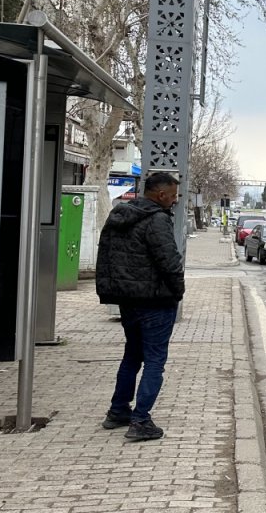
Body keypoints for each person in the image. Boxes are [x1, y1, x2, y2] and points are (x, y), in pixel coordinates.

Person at [96, 172, 185, 441]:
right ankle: (141, 421)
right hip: (155, 302)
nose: (175, 200)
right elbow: (169, 262)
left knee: (132, 356)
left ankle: (118, 411)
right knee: (155, 361)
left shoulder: (119, 215)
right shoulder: (157, 220)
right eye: (173, 195)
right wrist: (178, 291)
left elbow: (106, 257)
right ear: (160, 195)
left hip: (128, 301)